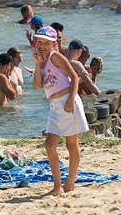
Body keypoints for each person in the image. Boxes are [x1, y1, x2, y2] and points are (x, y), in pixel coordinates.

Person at [32, 26, 88, 196]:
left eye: (46, 42)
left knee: (71, 144)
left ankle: (69, 184)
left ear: (54, 43)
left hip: (67, 102)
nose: (41, 45)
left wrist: (71, 99)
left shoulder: (56, 56)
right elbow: (37, 85)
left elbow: (75, 77)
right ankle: (58, 186)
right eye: (39, 41)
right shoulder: (43, 60)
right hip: (55, 105)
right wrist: (37, 65)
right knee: (49, 146)